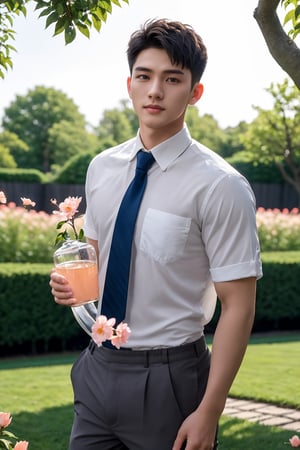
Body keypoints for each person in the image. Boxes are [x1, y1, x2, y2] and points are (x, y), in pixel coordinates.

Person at [50, 18, 262, 450]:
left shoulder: (221, 185)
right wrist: (71, 287)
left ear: (195, 92)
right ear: (129, 84)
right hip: (96, 369)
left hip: (171, 380)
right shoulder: (101, 168)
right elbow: (96, 256)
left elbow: (238, 305)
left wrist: (210, 411)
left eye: (172, 79)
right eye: (144, 77)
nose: (155, 92)